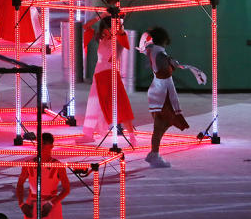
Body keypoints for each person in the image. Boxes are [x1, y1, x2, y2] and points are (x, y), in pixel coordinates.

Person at [142, 26, 207, 168]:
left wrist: (172, 62)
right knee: (162, 123)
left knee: (165, 121)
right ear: (164, 39)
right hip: (162, 91)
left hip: (158, 89)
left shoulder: (153, 51)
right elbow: (164, 71)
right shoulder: (158, 53)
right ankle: (154, 154)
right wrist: (172, 64)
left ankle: (154, 153)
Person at [82, 14, 136, 145]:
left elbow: (124, 38)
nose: (108, 31)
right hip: (98, 75)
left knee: (120, 105)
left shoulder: (118, 39)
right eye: (106, 29)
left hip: (111, 75)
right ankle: (88, 134)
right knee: (93, 104)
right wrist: (100, 16)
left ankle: (132, 136)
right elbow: (86, 26)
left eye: (110, 29)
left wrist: (118, 22)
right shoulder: (100, 38)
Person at [16, 132, 70, 219]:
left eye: (44, 144)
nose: (40, 146)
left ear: (51, 146)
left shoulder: (57, 166)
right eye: (39, 143)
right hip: (33, 203)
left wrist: (52, 203)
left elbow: (66, 189)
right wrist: (21, 203)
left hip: (50, 204)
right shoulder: (28, 164)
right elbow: (19, 184)